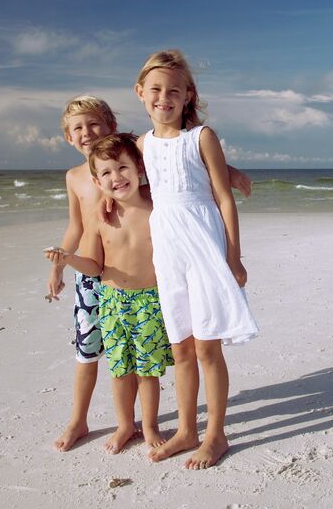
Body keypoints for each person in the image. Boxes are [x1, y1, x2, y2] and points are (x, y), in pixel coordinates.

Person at [45, 95, 252, 452]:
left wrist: (228, 172)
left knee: (142, 360)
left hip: (141, 280)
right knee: (89, 351)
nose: (87, 133)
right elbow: (76, 226)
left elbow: (180, 159)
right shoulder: (76, 177)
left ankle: (148, 423)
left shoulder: (138, 162)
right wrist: (59, 264)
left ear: (113, 128)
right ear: (68, 137)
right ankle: (79, 419)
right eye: (77, 128)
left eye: (95, 124)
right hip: (93, 272)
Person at [134, 49, 259, 469]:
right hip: (168, 254)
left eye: (173, 90)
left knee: (207, 348)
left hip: (205, 248)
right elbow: (116, 176)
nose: (163, 97)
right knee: (181, 348)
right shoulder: (141, 145)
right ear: (140, 93)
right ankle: (186, 430)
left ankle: (216, 435)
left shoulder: (202, 136)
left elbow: (223, 197)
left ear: (188, 95)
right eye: (155, 89)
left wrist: (233, 255)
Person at [46, 133, 174, 452]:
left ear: (140, 167)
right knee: (119, 370)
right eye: (106, 173)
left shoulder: (158, 205)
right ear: (96, 181)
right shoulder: (101, 217)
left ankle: (150, 425)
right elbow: (93, 265)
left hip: (150, 301)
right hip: (113, 302)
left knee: (147, 372)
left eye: (122, 168)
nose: (116, 177)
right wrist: (68, 259)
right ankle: (124, 425)